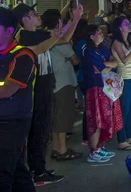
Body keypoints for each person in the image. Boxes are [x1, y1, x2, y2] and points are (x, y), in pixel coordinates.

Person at [13, 2, 81, 186]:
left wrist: (73, 19)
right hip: (36, 88)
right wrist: (71, 21)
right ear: (25, 19)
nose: (38, 16)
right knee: (38, 130)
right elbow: (46, 45)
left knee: (41, 130)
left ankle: (39, 169)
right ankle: (37, 172)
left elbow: (63, 37)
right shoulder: (24, 36)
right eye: (33, 13)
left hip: (45, 85)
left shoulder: (37, 34)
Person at [0, 8, 36, 192]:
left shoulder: (23, 55)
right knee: (18, 172)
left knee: (4, 172)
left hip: (14, 120)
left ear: (8, 31)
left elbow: (7, 90)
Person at [42, 10, 81, 161]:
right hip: (63, 82)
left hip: (52, 81)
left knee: (55, 117)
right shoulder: (56, 38)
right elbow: (74, 59)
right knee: (63, 117)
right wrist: (75, 19)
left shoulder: (44, 36)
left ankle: (56, 149)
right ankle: (63, 149)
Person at [82, 25, 121, 162]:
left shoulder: (102, 48)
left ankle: (100, 145)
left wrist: (107, 64)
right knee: (95, 118)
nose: (101, 34)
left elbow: (114, 62)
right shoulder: (88, 51)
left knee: (104, 118)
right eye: (98, 32)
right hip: (94, 87)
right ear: (92, 36)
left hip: (105, 88)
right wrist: (107, 64)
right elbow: (101, 69)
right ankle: (93, 151)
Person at [111, 16, 131, 151]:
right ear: (119, 27)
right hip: (124, 79)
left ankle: (129, 136)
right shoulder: (117, 43)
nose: (129, 25)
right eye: (126, 23)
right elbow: (124, 61)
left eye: (129, 22)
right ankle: (121, 140)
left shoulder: (128, 41)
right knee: (123, 110)